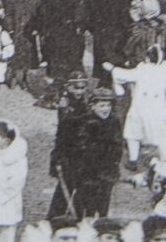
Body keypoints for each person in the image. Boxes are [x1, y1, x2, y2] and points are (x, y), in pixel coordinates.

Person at [48, 87, 126, 219]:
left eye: (108, 105)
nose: (105, 109)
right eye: (101, 105)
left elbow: (117, 147)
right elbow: (65, 142)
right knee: (83, 209)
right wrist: (60, 159)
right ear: (92, 106)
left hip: (106, 174)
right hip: (86, 176)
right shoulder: (80, 121)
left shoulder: (114, 122)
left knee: (102, 209)